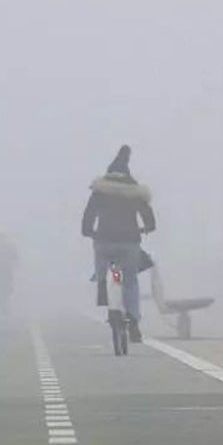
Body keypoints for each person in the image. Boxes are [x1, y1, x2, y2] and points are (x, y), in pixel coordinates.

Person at [82, 145, 156, 342]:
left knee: (101, 260)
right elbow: (148, 215)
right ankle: (133, 322)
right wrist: (148, 227)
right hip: (129, 241)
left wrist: (88, 231)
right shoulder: (134, 192)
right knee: (130, 280)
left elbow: (89, 214)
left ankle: (101, 283)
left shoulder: (100, 191)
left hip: (104, 240)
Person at [0, 232, 19, 312]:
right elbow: (15, 257)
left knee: (4, 285)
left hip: (2, 268)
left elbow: (15, 257)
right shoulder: (7, 246)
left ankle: (0, 301)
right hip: (2, 268)